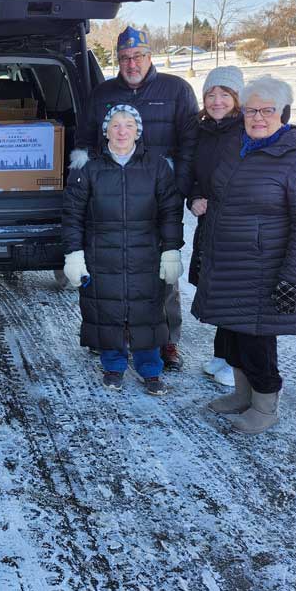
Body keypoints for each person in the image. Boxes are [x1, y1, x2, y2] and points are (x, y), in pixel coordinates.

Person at [191, 76, 296, 434]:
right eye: (251, 110)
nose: (258, 117)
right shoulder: (238, 146)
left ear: (284, 113)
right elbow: (216, 197)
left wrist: (291, 276)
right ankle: (241, 394)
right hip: (228, 264)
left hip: (265, 270)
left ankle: (265, 408)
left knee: (257, 342)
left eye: (267, 110)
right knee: (231, 336)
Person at [71, 26, 199, 371]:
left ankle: (166, 340)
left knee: (162, 269)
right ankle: (111, 338)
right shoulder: (102, 93)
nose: (131, 63)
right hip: (111, 195)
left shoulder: (177, 90)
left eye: (138, 56)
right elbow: (85, 140)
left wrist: (181, 188)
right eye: (125, 58)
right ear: (119, 59)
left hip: (160, 198)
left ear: (150, 56)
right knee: (111, 268)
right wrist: (82, 184)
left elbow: (191, 144)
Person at [62, 105, 184, 396]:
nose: (121, 131)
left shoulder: (156, 166)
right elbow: (72, 214)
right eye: (115, 125)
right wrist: (74, 254)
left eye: (128, 125)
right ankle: (113, 365)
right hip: (101, 251)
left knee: (147, 311)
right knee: (107, 309)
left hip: (145, 252)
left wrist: (171, 250)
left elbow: (170, 211)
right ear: (106, 131)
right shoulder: (88, 168)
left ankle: (150, 369)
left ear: (137, 131)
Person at [187, 66, 245, 388]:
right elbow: (196, 175)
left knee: (236, 293)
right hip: (210, 223)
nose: (217, 100)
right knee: (218, 290)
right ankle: (222, 354)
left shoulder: (246, 130)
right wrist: (194, 197)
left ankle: (237, 363)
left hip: (237, 225)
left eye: (225, 94)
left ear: (237, 98)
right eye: (211, 94)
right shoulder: (203, 130)